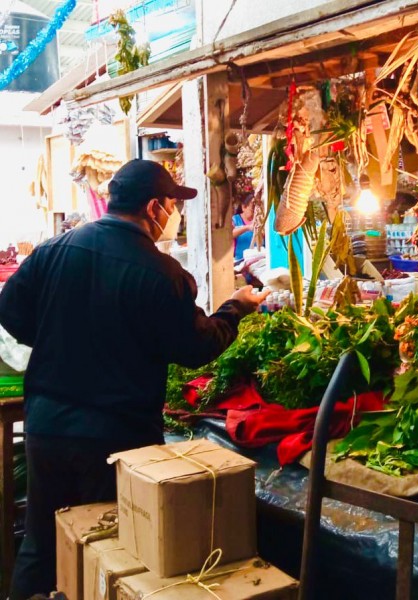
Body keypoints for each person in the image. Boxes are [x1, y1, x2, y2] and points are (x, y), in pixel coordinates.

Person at [0, 159, 268, 598]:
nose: (172, 215)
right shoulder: (162, 274)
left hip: (47, 427)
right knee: (109, 551)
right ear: (154, 208)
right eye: (170, 205)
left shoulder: (54, 250)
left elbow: (9, 310)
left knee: (42, 542)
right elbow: (196, 348)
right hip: (114, 440)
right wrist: (235, 308)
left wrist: (56, 340)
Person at [233, 193, 255, 262]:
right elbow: (229, 234)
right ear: (243, 207)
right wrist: (247, 228)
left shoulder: (260, 220)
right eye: (252, 208)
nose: (255, 212)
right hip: (240, 260)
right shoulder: (235, 220)